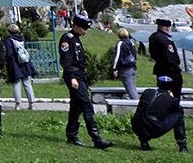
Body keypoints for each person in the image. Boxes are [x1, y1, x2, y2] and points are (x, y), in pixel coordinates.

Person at [59, 16, 113, 149]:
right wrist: (72, 77)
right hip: (74, 76)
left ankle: (72, 135)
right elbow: (66, 60)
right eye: (84, 28)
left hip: (80, 75)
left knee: (76, 106)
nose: (86, 31)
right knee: (86, 104)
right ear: (76, 26)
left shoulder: (76, 39)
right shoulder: (67, 38)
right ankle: (96, 138)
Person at [132, 75, 189, 152]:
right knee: (178, 117)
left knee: (144, 117)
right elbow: (180, 111)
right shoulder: (171, 100)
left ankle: (144, 142)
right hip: (154, 129)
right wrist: (172, 99)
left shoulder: (147, 92)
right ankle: (183, 146)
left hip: (137, 127)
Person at [5, 23, 37, 110]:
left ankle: (18, 104)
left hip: (15, 63)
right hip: (25, 62)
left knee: (16, 84)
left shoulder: (9, 40)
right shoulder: (22, 38)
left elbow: (9, 53)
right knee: (27, 83)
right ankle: (32, 103)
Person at [148, 18, 183, 94]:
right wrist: (175, 68)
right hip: (169, 71)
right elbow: (170, 56)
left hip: (159, 68)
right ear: (167, 28)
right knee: (173, 93)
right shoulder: (165, 40)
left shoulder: (154, 36)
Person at [111, 27, 139, 100]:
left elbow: (117, 57)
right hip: (133, 68)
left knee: (131, 91)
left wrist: (115, 69)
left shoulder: (120, 43)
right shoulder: (131, 43)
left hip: (125, 69)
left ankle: (137, 106)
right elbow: (134, 56)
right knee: (133, 88)